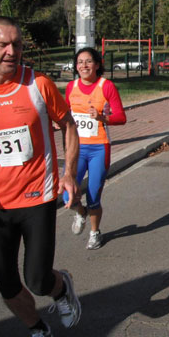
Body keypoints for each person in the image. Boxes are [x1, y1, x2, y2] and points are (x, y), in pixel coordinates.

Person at [0, 16, 82, 337]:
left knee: (38, 279)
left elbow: (68, 125)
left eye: (17, 44)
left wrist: (69, 174)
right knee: (6, 282)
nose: (11, 51)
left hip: (36, 197)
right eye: (2, 44)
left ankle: (60, 287)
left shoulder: (38, 85)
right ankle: (38, 332)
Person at [63, 47, 126, 250]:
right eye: (80, 62)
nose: (84, 66)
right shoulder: (71, 87)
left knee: (93, 197)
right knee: (67, 195)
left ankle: (94, 232)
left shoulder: (106, 86)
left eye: (88, 61)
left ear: (97, 64)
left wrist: (101, 117)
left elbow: (121, 117)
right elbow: (65, 116)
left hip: (99, 147)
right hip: (77, 149)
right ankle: (80, 213)